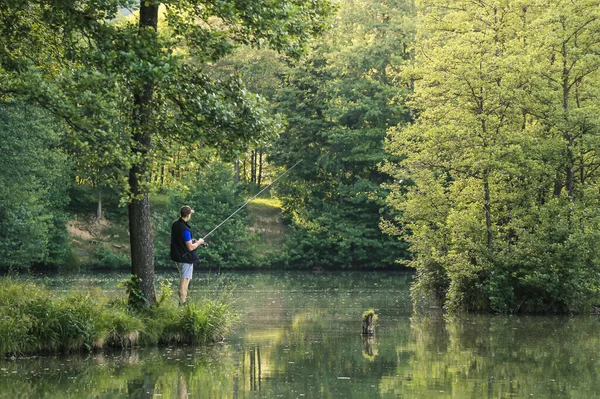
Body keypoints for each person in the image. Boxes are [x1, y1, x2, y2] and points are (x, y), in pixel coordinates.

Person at [170, 205, 205, 305]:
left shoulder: (175, 224)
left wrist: (192, 240)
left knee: (184, 280)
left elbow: (180, 240)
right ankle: (182, 304)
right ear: (188, 215)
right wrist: (199, 242)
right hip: (185, 258)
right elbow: (190, 248)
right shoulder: (185, 229)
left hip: (177, 256)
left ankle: (182, 302)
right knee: (184, 281)